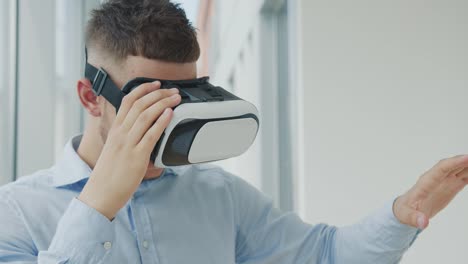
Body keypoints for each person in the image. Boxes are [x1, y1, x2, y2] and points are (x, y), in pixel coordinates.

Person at [1, 0, 467, 263]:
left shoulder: (218, 195)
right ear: (90, 97)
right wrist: (100, 201)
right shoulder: (17, 213)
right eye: (149, 102)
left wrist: (403, 214)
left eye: (184, 98)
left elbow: (323, 256)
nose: (170, 120)